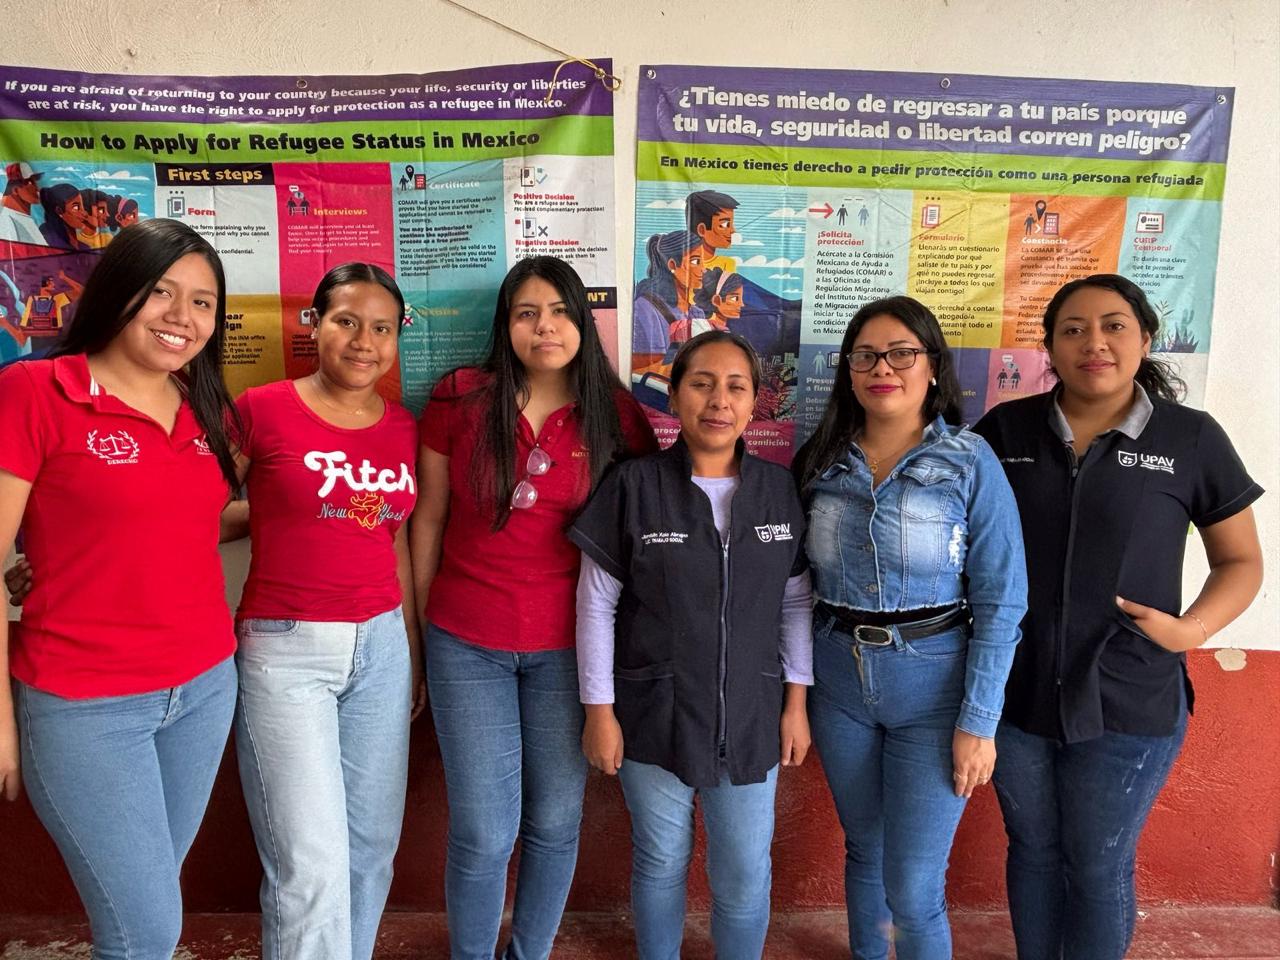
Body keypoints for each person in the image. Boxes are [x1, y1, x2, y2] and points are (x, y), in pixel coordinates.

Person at [972, 274, 1264, 960]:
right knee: (1033, 849)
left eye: (1113, 326)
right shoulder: (1005, 430)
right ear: (1049, 347)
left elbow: (1241, 561)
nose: (1093, 343)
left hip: (1128, 692)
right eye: (1073, 330)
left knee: (1097, 862)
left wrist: (1190, 631)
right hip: (1014, 688)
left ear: (1146, 340)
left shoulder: (1191, 438)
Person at [0, 218, 241, 958]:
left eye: (203, 302)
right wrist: (0, 717)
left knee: (148, 912)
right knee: (147, 930)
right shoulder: (36, 391)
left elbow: (188, 524)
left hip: (203, 689)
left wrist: (314, 515)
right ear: (118, 291)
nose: (182, 316)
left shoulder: (203, 407)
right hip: (86, 706)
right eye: (161, 291)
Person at [410, 255, 657, 960]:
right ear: (506, 325)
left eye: (559, 311)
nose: (544, 327)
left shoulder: (618, 416)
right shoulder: (460, 398)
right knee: (483, 831)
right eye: (527, 313)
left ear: (583, 322)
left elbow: (638, 540)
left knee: (552, 820)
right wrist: (419, 639)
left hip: (569, 650)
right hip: (465, 640)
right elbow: (428, 519)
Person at [792, 295, 1027, 959]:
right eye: (865, 355)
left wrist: (979, 722)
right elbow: (793, 587)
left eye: (901, 353)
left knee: (914, 882)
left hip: (935, 689)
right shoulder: (821, 462)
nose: (882, 368)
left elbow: (1002, 599)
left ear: (932, 367)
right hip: (838, 680)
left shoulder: (969, 461)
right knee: (865, 851)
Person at [571, 330, 812, 959]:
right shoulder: (634, 486)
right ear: (674, 396)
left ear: (755, 402)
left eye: (735, 387)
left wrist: (796, 703)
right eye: (701, 384)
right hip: (654, 711)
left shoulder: (778, 491)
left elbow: (794, 603)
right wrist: (599, 712)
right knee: (659, 860)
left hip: (753, 716)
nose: (718, 400)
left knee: (744, 871)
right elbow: (595, 606)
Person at [232, 263, 423, 959]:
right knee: (309, 867)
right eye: (346, 321)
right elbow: (193, 508)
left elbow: (392, 538)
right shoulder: (261, 408)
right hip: (286, 650)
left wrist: (411, 650)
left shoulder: (402, 427)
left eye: (381, 328)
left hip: (381, 647)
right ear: (314, 324)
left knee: (370, 851)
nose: (364, 341)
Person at [632, 230, 707, 368]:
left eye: (703, 261)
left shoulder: (697, 313)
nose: (703, 269)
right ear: (672, 265)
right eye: (695, 261)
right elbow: (644, 366)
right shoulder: (645, 309)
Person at [686, 188, 739, 273]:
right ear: (702, 230)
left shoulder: (727, 263)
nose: (733, 230)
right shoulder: (682, 263)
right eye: (725, 225)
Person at [0, 162, 45, 245]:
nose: (37, 188)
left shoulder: (21, 217)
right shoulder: (6, 220)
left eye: (34, 181)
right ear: (15, 190)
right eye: (29, 182)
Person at [692, 267, 745, 336]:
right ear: (717, 300)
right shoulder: (704, 330)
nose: (742, 304)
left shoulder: (727, 330)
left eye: (741, 298)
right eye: (734, 298)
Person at [37, 183, 89, 250]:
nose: (85, 213)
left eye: (83, 206)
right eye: (76, 207)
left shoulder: (84, 247)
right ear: (59, 211)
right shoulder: (48, 243)